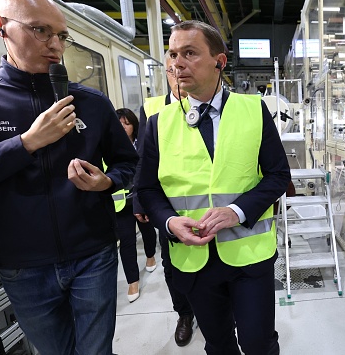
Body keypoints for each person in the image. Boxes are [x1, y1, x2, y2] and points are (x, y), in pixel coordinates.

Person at [0, 0, 138, 355]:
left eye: (62, 35)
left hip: (93, 253)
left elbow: (128, 164)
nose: (55, 45)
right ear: (0, 26)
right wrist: (25, 144)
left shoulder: (92, 102)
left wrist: (108, 182)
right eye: (40, 30)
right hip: (23, 264)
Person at [137, 20, 291, 355]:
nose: (177, 63)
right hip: (192, 258)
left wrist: (236, 211)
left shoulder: (253, 111)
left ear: (219, 61)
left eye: (189, 53)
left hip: (249, 256)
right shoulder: (157, 124)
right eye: (173, 54)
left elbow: (278, 175)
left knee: (257, 342)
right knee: (218, 345)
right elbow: (146, 189)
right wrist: (168, 222)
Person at [133, 54, 196, 346]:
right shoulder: (152, 109)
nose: (178, 74)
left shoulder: (215, 105)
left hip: (209, 201)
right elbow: (142, 160)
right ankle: (184, 313)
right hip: (167, 204)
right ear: (167, 74)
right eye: (172, 69)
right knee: (172, 263)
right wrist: (139, 202)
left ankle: (219, 311)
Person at [115, 108, 157, 303]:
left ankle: (150, 255)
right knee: (127, 240)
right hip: (120, 202)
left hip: (140, 197)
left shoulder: (142, 143)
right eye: (119, 123)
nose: (123, 127)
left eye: (127, 123)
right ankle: (133, 280)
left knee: (147, 230)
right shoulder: (110, 146)